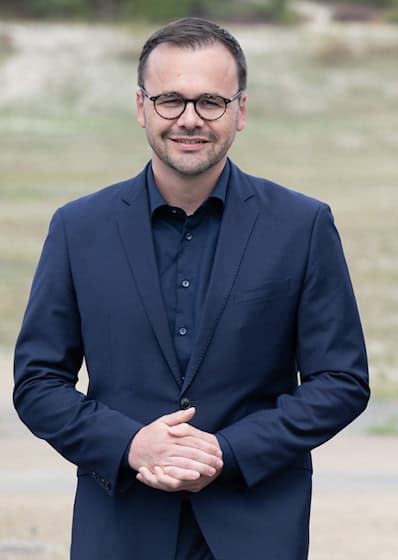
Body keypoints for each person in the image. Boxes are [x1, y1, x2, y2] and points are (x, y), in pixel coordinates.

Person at [12, 17, 369, 560]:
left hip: (256, 527)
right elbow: (37, 382)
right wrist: (130, 445)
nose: (189, 120)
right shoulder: (77, 227)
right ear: (141, 107)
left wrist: (227, 452)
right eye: (170, 100)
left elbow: (342, 380)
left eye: (210, 102)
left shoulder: (303, 225)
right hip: (122, 527)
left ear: (240, 112)